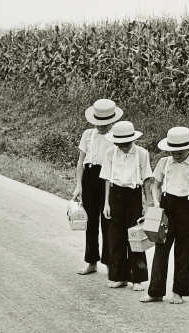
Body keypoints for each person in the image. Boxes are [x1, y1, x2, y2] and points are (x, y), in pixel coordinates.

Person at [140, 127, 189, 304]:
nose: (177, 154)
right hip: (166, 206)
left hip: (187, 208)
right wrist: (156, 203)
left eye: (180, 151)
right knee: (161, 248)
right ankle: (155, 291)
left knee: (184, 251)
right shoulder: (164, 162)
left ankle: (179, 291)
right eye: (174, 151)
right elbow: (156, 185)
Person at [100, 121, 153, 289]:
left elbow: (146, 180)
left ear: (132, 140)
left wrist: (148, 204)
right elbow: (107, 179)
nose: (122, 146)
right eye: (119, 143)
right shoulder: (110, 153)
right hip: (115, 194)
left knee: (136, 236)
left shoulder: (142, 153)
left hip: (133, 195)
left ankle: (137, 278)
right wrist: (106, 203)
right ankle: (119, 276)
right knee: (115, 237)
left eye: (126, 143)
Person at [73, 99, 123, 275]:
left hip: (108, 178)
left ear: (112, 121)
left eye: (104, 124)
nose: (100, 127)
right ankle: (91, 261)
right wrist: (79, 185)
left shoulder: (117, 137)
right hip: (90, 177)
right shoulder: (88, 134)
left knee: (108, 221)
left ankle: (110, 263)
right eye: (97, 123)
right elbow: (80, 161)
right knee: (90, 221)